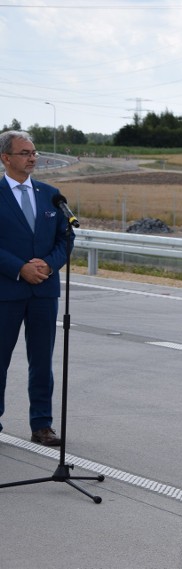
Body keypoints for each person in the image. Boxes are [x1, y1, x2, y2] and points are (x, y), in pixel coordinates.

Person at [0, 130, 74, 447]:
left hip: (44, 291)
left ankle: (42, 424)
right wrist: (19, 268)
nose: (32, 157)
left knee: (41, 361)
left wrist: (48, 264)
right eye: (24, 152)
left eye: (34, 152)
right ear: (6, 158)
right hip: (7, 291)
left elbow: (65, 238)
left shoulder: (51, 195)